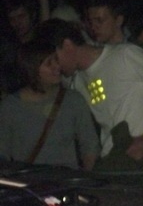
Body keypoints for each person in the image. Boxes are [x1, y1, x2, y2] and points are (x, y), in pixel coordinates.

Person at [36, 18, 143, 166]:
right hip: (114, 161)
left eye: (55, 58)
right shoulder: (77, 82)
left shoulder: (125, 55)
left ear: (67, 45)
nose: (56, 66)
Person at [0, 39, 100, 170]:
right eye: (49, 63)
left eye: (56, 60)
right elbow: (2, 152)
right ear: (32, 68)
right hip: (27, 180)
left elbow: (89, 145)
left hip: (65, 179)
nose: (56, 67)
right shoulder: (11, 107)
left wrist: (86, 176)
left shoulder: (73, 100)